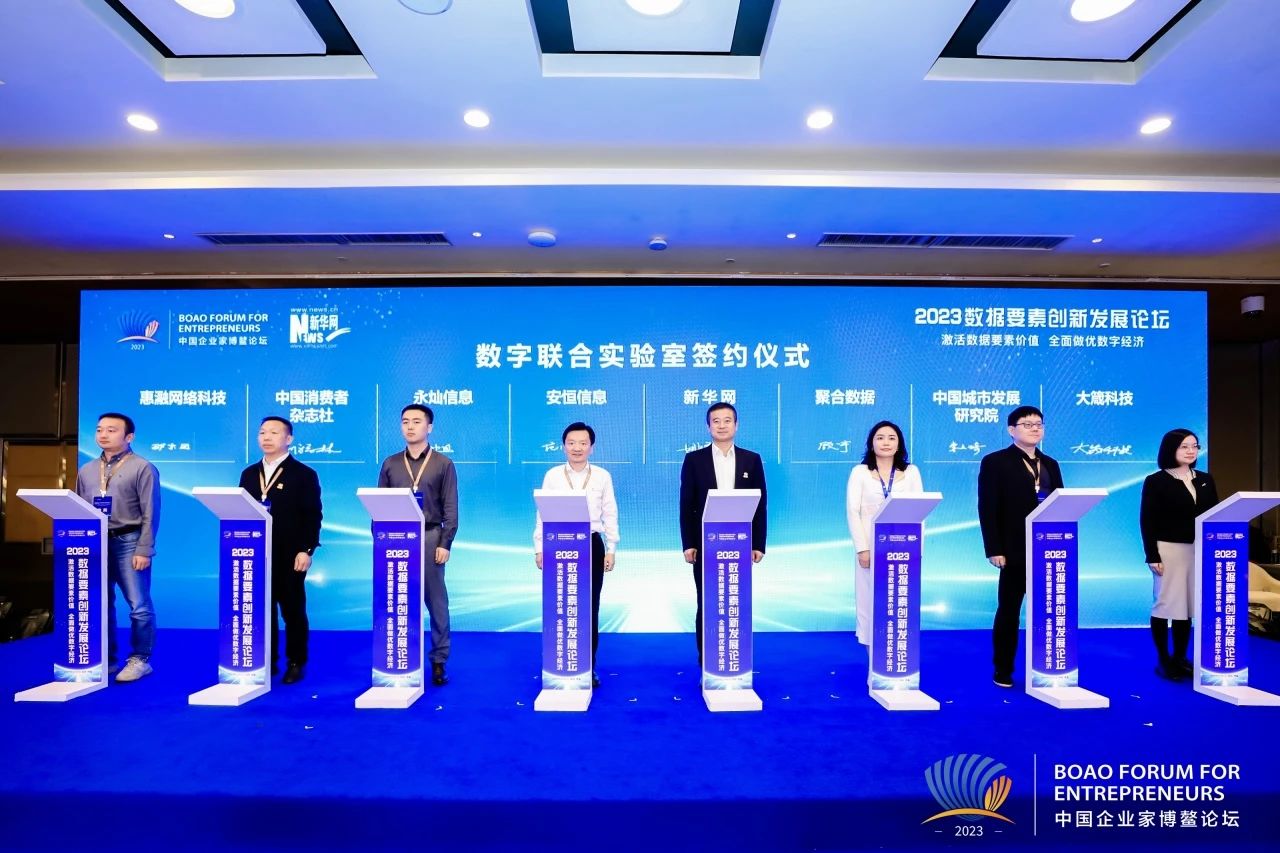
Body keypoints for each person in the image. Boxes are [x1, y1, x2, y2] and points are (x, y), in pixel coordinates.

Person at [978, 405, 1063, 688]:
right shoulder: (995, 462)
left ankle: (1049, 664)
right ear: (1011, 430)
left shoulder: (1051, 464)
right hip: (1013, 549)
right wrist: (994, 548)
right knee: (1009, 611)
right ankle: (1003, 668)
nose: (1035, 428)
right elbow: (988, 507)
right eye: (1027, 424)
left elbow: (1060, 504)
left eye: (1039, 424)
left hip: (1048, 549)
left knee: (1049, 610)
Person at [75, 412, 161, 683]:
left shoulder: (142, 467)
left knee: (138, 605)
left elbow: (151, 512)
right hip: (96, 542)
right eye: (99, 429)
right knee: (100, 603)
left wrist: (144, 548)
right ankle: (108, 659)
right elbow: (78, 509)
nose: (103, 434)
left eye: (111, 430)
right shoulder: (87, 470)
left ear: (129, 437)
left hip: (129, 541)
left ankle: (140, 659)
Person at [377, 404, 458, 686]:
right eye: (405, 422)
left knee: (436, 602)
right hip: (396, 538)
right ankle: (399, 656)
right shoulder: (390, 463)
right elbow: (380, 505)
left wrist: (445, 542)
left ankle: (438, 661)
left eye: (416, 421)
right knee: (397, 599)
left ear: (429, 427)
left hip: (430, 536)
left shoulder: (443, 463)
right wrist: (380, 539)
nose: (410, 426)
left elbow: (450, 508)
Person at [533, 422, 619, 689]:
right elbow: (542, 513)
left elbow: (610, 512)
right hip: (558, 544)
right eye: (571, 443)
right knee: (560, 605)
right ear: (563, 447)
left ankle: (587, 666)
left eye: (583, 443)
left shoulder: (602, 476)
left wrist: (612, 548)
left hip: (591, 544)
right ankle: (560, 663)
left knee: (589, 607)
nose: (577, 448)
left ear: (591, 447)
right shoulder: (553, 476)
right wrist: (539, 547)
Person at [679, 401, 767, 659]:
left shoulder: (752, 459)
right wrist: (688, 543)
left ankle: (734, 656)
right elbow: (686, 505)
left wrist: (758, 543)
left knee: (735, 600)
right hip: (705, 543)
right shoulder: (694, 460)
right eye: (715, 421)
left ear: (736, 425)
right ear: (708, 427)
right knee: (707, 601)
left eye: (727, 420)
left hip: (740, 543)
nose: (721, 425)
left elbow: (761, 504)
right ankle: (707, 660)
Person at [238, 416, 322, 685]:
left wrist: (306, 549)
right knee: (262, 609)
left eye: (274, 433)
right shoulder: (249, 474)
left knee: (292, 610)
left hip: (290, 554)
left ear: (289, 439)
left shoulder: (303, 474)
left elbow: (313, 516)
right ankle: (267, 660)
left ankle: (296, 661)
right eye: (262, 432)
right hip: (255, 553)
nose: (266, 437)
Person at [1139, 428, 1218, 682]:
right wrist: (1152, 555)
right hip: (1168, 550)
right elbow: (1147, 520)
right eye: (1185, 446)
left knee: (1187, 607)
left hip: (1198, 549)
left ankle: (1180, 658)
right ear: (1170, 449)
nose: (1191, 451)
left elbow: (1215, 515)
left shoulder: (1205, 479)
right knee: (1165, 605)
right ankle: (1164, 659)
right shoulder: (1156, 481)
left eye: (1195, 446)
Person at [846, 420, 924, 646]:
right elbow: (853, 512)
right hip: (871, 548)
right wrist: (862, 549)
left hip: (904, 547)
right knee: (870, 602)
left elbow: (919, 512)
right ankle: (874, 661)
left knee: (900, 602)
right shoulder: (860, 472)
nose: (886, 442)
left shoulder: (911, 472)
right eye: (880, 438)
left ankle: (897, 656)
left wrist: (918, 550)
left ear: (899, 444)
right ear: (871, 443)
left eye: (891, 438)